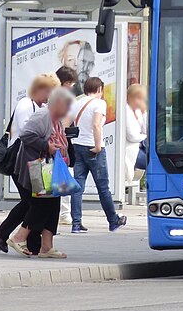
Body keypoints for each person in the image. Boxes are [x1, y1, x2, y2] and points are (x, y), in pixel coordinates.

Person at [0, 73, 60, 254]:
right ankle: (12, 236)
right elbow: (27, 133)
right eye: (50, 92)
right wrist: (47, 142)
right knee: (36, 203)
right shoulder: (25, 105)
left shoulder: (39, 106)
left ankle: (25, 240)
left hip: (35, 162)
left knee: (33, 202)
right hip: (22, 162)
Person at [7, 87, 76, 259]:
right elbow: (27, 135)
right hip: (37, 168)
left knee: (53, 205)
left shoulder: (55, 118)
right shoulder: (42, 116)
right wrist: (48, 147)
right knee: (42, 205)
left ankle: (47, 247)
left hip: (52, 168)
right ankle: (18, 237)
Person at [69, 77, 127, 232]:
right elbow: (96, 125)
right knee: (103, 187)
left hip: (78, 146)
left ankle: (76, 223)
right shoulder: (99, 103)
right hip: (93, 148)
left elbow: (67, 122)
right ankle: (113, 220)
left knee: (77, 187)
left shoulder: (76, 102)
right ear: (100, 89)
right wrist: (97, 146)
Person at [55, 66, 77, 225]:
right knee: (64, 176)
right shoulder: (66, 98)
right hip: (62, 143)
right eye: (70, 83)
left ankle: (61, 212)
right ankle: (64, 213)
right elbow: (66, 120)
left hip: (55, 142)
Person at [124, 83, 148, 187]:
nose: (141, 102)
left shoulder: (137, 112)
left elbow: (146, 130)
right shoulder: (125, 111)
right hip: (130, 149)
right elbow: (132, 136)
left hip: (139, 146)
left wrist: (144, 112)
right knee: (151, 161)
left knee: (156, 155)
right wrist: (145, 137)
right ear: (131, 97)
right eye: (139, 98)